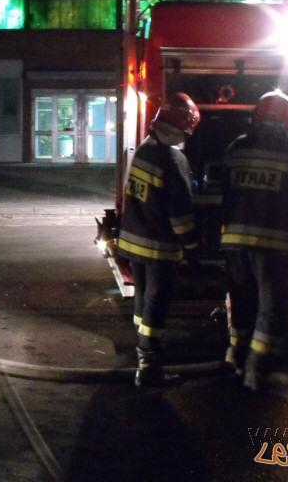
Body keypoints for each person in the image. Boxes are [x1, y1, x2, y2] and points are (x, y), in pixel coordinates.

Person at [219, 89, 288, 391]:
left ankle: (238, 362)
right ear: (287, 119)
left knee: (241, 304)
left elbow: (225, 190)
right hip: (273, 246)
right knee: (271, 308)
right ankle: (258, 370)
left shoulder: (235, 148)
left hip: (235, 244)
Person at [117, 92, 201, 387]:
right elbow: (180, 214)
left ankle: (143, 355)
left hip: (134, 243)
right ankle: (150, 368)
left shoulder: (144, 148)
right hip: (159, 248)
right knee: (157, 303)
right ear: (184, 126)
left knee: (143, 301)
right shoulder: (173, 159)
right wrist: (192, 247)